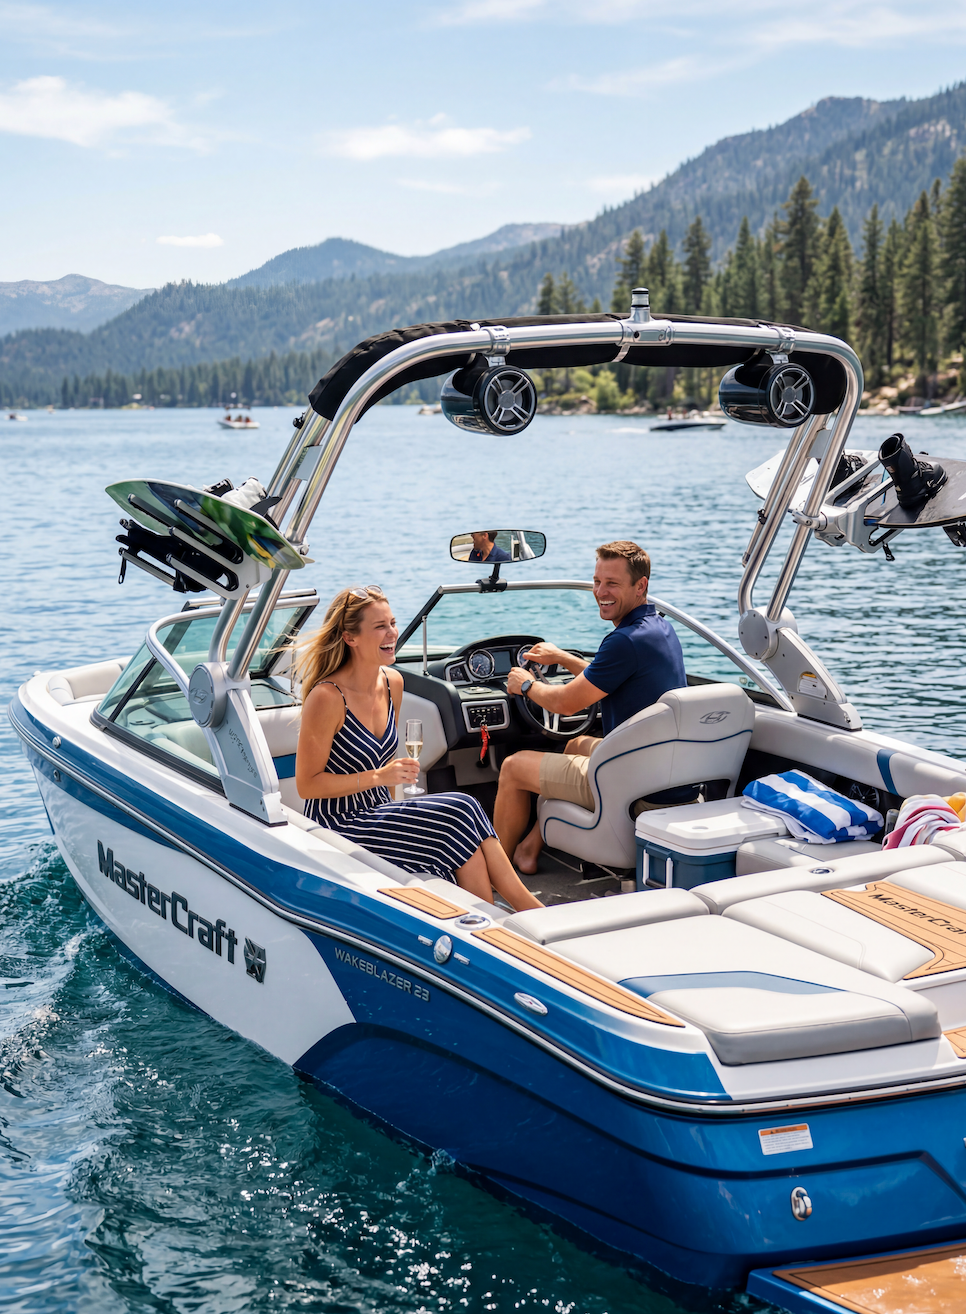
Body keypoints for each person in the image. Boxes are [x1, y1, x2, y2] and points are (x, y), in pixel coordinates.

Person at [295, 585, 542, 911]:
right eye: (380, 627)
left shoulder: (392, 682)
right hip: (342, 824)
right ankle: (524, 914)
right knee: (462, 808)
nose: (392, 633)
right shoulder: (326, 697)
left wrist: (402, 812)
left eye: (393, 623)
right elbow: (306, 785)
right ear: (349, 638)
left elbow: (389, 776)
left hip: (380, 813)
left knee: (458, 828)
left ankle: (493, 918)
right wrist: (379, 777)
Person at [494, 540, 689, 875]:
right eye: (597, 581)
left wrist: (525, 685)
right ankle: (529, 848)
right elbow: (608, 678)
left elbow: (566, 703)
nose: (601, 591)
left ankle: (495, 873)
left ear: (640, 586)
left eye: (612, 583)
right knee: (575, 745)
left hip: (635, 785)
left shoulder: (623, 641)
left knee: (513, 767)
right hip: (669, 773)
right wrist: (562, 658)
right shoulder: (658, 628)